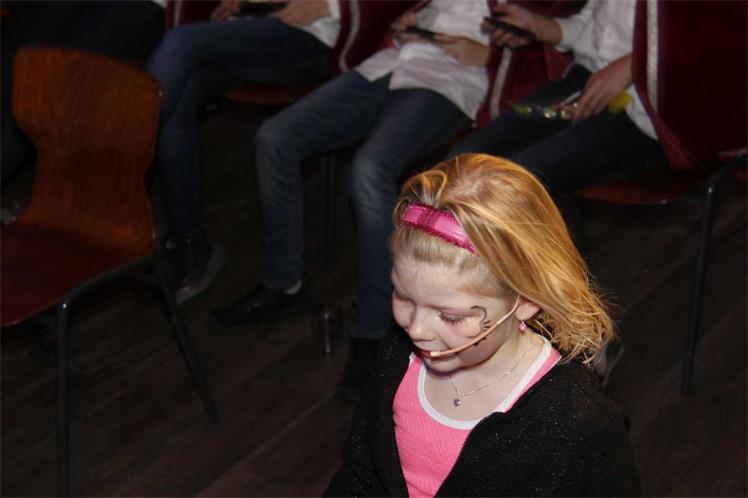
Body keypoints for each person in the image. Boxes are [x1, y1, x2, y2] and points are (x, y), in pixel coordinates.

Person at [211, 0, 494, 401]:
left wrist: (494, 56)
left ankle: (376, 331)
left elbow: (557, 38)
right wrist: (405, 21)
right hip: (394, 62)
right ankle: (283, 282)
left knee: (370, 168)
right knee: (275, 137)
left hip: (452, 81)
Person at [324, 154, 642, 497]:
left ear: (525, 300)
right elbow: (360, 470)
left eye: (451, 317)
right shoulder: (399, 353)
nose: (417, 330)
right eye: (403, 297)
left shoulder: (579, 422)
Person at [146, 0, 409, 303]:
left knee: (180, 44)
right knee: (184, 89)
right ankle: (189, 242)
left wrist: (330, 7)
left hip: (318, 36)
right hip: (265, 23)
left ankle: (123, 161)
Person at [449, 0, 666, 194]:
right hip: (585, 80)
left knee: (507, 184)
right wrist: (535, 25)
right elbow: (591, 28)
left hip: (648, 108)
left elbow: (685, 42)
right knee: (459, 164)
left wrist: (633, 64)